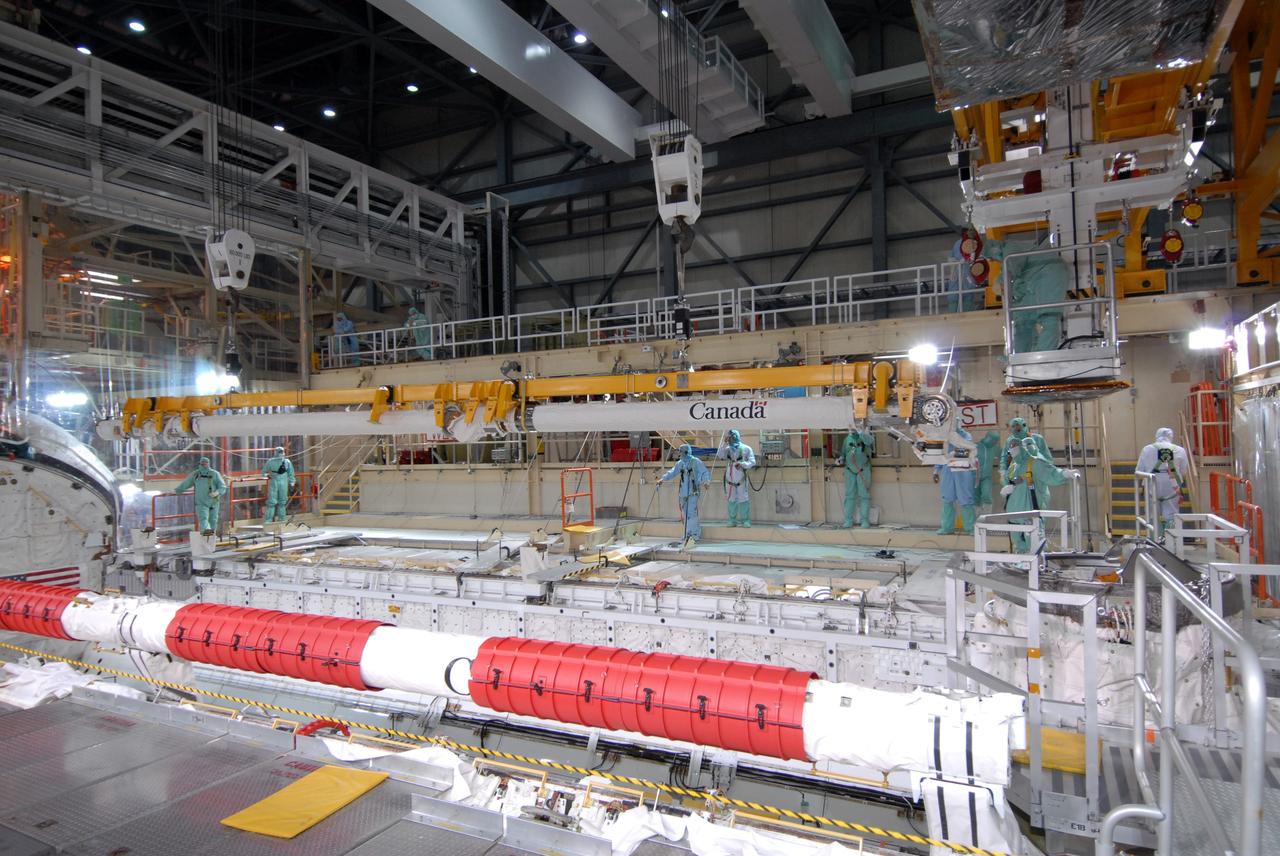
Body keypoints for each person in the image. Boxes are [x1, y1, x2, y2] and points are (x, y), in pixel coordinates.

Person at [984, 239, 1069, 353]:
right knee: (1023, 320)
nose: (992, 260)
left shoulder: (1010, 248)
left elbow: (1010, 270)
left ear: (993, 249)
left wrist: (1002, 283)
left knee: (1048, 316)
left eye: (990, 257)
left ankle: (1045, 352)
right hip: (1034, 278)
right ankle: (1021, 353)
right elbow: (1015, 282)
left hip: (1049, 271)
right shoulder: (1012, 261)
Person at [1001, 436, 1069, 552]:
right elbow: (1012, 480)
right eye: (1011, 448)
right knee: (1019, 544)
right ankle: (1022, 564)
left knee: (1036, 545)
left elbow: (1051, 473)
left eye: (1015, 447)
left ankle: (1038, 566)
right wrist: (1009, 487)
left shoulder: (1035, 463)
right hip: (1014, 515)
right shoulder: (1014, 466)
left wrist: (1065, 474)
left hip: (1030, 514)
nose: (1012, 450)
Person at [1135, 427, 1190, 535]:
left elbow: (1139, 470)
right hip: (1172, 486)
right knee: (1171, 515)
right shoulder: (1180, 450)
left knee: (1152, 515)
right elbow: (1183, 472)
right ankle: (1171, 543)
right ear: (1171, 437)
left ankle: (1154, 542)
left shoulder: (1147, 449)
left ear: (1157, 436)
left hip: (1152, 484)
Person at [660, 444, 711, 541]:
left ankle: (695, 535)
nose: (680, 454)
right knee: (686, 514)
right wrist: (662, 479)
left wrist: (706, 482)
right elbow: (672, 472)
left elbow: (704, 472)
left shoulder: (696, 462)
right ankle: (687, 533)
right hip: (683, 493)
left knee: (692, 513)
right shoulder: (680, 463)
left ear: (686, 452)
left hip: (693, 492)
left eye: (681, 452)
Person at [934, 427, 977, 535]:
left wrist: (951, 455)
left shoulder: (966, 436)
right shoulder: (943, 437)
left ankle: (970, 527)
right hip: (947, 470)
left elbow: (967, 449)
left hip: (962, 469)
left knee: (965, 498)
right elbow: (940, 454)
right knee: (947, 498)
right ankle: (947, 527)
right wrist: (936, 470)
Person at [716, 429, 757, 527]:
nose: (730, 439)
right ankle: (732, 519)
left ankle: (745, 520)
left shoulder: (746, 448)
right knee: (731, 499)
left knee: (743, 499)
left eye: (731, 437)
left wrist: (742, 464)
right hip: (729, 478)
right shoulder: (727, 449)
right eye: (729, 437)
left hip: (741, 477)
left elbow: (752, 462)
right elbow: (720, 455)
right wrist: (724, 443)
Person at [176, 456, 226, 536]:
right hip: (201, 502)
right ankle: (206, 532)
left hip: (214, 501)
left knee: (213, 520)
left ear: (208, 464)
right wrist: (177, 490)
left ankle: (211, 538)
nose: (204, 465)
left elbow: (222, 486)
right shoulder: (196, 475)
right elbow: (186, 483)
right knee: (203, 518)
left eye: (205, 463)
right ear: (199, 464)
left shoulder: (215, 474)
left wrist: (217, 492)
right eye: (202, 463)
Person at [838, 427, 875, 528]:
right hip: (850, 470)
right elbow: (844, 453)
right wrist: (841, 459)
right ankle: (848, 520)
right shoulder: (847, 439)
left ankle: (865, 521)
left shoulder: (865, 436)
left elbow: (869, 441)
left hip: (863, 470)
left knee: (864, 496)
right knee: (849, 496)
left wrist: (861, 433)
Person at [946, 238, 985, 312]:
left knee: (967, 295)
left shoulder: (975, 245)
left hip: (967, 274)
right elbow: (951, 258)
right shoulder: (959, 243)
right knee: (955, 295)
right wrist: (954, 267)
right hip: (958, 274)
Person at [261, 446, 296, 523]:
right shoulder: (273, 461)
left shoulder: (285, 462)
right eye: (280, 452)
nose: (281, 454)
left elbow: (291, 473)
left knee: (281, 502)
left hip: (279, 482)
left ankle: (279, 520)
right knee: (273, 502)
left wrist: (292, 482)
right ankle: (271, 520)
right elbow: (264, 472)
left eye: (281, 452)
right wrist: (292, 482)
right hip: (276, 482)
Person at [974, 430, 1003, 507]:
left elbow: (1004, 455)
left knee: (986, 495)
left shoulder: (994, 449)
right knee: (975, 498)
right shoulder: (975, 447)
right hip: (974, 476)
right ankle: (975, 516)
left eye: (996, 441)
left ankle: (987, 515)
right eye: (993, 441)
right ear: (988, 438)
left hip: (987, 477)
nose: (994, 443)